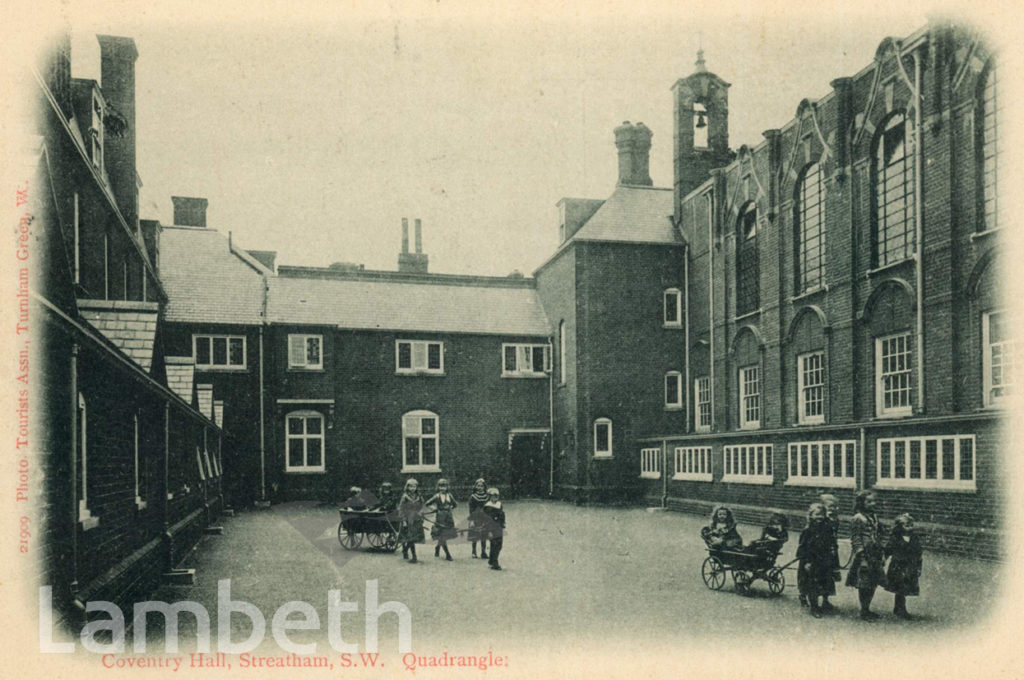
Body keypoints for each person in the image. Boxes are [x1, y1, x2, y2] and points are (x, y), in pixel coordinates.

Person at [846, 489, 887, 620]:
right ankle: (864, 611)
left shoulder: (874, 516)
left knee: (873, 581)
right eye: (869, 501)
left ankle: (867, 608)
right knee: (864, 583)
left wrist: (882, 552)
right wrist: (861, 555)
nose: (872, 503)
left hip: (875, 554)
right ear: (861, 502)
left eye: (874, 501)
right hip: (864, 555)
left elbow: (878, 534)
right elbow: (856, 538)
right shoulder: (858, 518)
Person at [797, 503, 840, 618]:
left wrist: (833, 552)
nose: (820, 517)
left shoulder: (828, 527)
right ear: (811, 516)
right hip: (812, 560)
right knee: (813, 584)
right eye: (817, 515)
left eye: (822, 514)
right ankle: (814, 607)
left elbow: (832, 541)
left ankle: (825, 601)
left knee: (826, 581)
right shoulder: (808, 530)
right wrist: (806, 561)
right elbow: (802, 547)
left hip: (825, 559)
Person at [884, 513, 923, 619]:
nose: (910, 527)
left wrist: (919, 567)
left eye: (911, 525)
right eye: (907, 525)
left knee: (906, 587)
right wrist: (884, 558)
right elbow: (888, 549)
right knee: (900, 588)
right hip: (898, 566)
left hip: (910, 566)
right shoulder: (895, 538)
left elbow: (919, 552)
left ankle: (899, 607)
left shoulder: (914, 538)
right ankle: (900, 608)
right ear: (899, 526)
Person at [817, 492, 842, 613]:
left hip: (831, 552)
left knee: (829, 576)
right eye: (830, 506)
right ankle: (812, 599)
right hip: (821, 552)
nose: (833, 509)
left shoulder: (834, 519)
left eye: (835, 506)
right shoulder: (820, 520)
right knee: (818, 576)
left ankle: (826, 600)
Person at [425, 478, 459, 561]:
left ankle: (437, 547)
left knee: (445, 535)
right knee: (442, 534)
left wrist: (449, 508)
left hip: (448, 517)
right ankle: (448, 554)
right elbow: (427, 503)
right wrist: (434, 509)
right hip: (440, 517)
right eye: (441, 486)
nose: (442, 488)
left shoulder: (450, 495)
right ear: (438, 487)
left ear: (447, 487)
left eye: (444, 487)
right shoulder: (437, 496)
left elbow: (455, 504)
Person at [398, 478, 425, 563]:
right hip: (408, 519)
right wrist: (404, 520)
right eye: (411, 487)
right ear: (407, 487)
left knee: (414, 537)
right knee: (410, 538)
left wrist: (421, 513)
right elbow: (401, 509)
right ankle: (414, 556)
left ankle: (405, 550)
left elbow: (422, 506)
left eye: (414, 486)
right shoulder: (405, 496)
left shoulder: (419, 496)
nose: (413, 488)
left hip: (416, 519)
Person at [482, 487, 506, 570]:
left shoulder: (499, 505)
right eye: (493, 496)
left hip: (498, 527)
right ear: (489, 496)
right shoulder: (487, 507)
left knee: (499, 545)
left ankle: (491, 560)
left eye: (497, 496)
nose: (495, 498)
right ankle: (495, 562)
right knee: (494, 544)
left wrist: (503, 523)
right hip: (491, 528)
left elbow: (502, 515)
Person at [467, 478, 490, 559]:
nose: (480, 487)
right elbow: (471, 510)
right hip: (476, 518)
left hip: (484, 518)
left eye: (481, 486)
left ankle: (483, 552)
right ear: (475, 486)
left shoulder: (487, 496)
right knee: (475, 535)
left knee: (484, 535)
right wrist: (472, 520)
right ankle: (474, 552)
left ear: (484, 487)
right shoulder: (473, 497)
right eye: (478, 486)